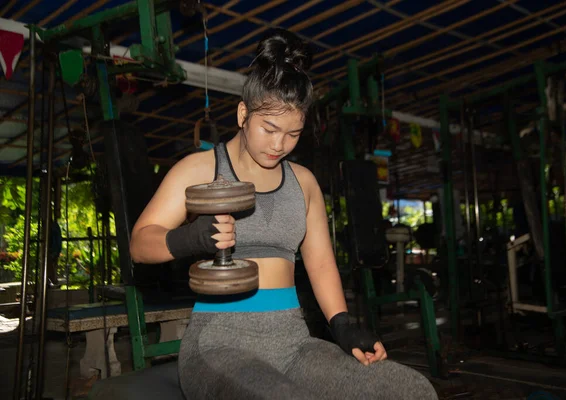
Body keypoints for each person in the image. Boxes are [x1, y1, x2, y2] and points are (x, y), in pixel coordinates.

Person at [130, 28, 438, 400]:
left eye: (293, 133)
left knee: (410, 390)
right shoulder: (200, 169)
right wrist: (189, 237)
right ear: (244, 113)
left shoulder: (303, 182)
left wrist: (342, 325)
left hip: (293, 343)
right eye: (270, 128)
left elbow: (321, 263)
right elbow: (140, 243)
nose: (279, 145)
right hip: (218, 344)